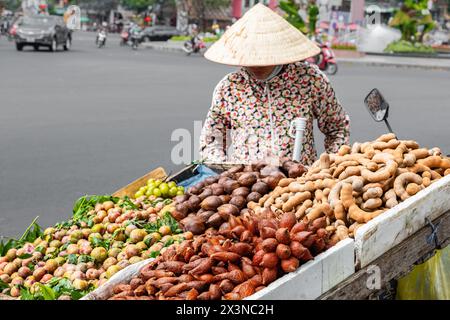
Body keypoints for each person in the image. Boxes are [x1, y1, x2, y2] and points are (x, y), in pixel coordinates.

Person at [200, 4, 350, 166]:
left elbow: (338, 128)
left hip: (299, 185)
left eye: (262, 58)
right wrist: (222, 171)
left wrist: (328, 168)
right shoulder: (228, 87)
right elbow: (211, 139)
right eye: (251, 57)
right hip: (245, 186)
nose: (256, 64)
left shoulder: (310, 79)